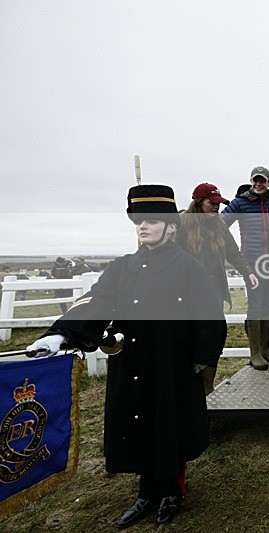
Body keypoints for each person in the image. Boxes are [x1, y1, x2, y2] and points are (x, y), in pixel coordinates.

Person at [27, 185, 227, 528]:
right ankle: (146, 492)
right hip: (132, 362)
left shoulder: (188, 267)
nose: (143, 226)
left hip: (172, 363)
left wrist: (201, 358)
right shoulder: (123, 267)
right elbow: (97, 300)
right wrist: (60, 335)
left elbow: (210, 316)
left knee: (168, 424)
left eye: (152, 221)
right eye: (139, 221)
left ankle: (171, 491)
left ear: (171, 228)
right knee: (138, 423)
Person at [177, 182, 259, 392]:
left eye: (218, 204)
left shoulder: (219, 225)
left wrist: (248, 272)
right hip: (187, 288)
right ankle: (189, 384)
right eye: (211, 203)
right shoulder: (181, 223)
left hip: (213, 288)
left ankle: (207, 386)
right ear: (198, 203)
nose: (216, 207)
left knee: (214, 335)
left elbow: (234, 252)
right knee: (189, 335)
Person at [221, 166, 269, 370]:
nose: (258, 184)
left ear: (268, 183)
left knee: (267, 305)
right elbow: (221, 223)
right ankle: (254, 353)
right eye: (255, 180)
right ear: (250, 181)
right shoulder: (240, 203)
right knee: (255, 305)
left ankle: (265, 349)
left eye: (262, 181)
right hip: (251, 262)